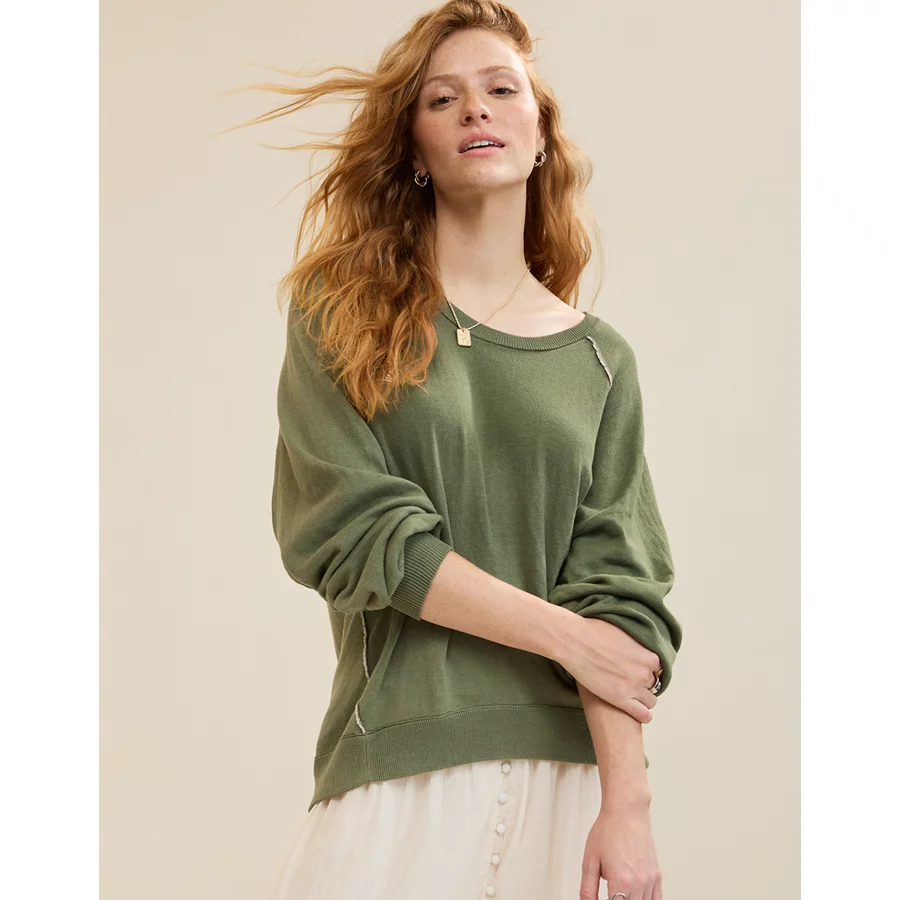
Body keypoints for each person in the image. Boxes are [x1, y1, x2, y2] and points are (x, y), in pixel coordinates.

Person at [241, 3, 683, 897]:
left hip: (570, 783)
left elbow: (618, 591)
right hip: (401, 763)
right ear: (414, 147)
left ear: (542, 134)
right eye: (442, 99)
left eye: (501, 89)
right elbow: (356, 533)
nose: (475, 108)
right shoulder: (341, 313)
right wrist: (568, 638)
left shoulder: (600, 361)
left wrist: (628, 806)